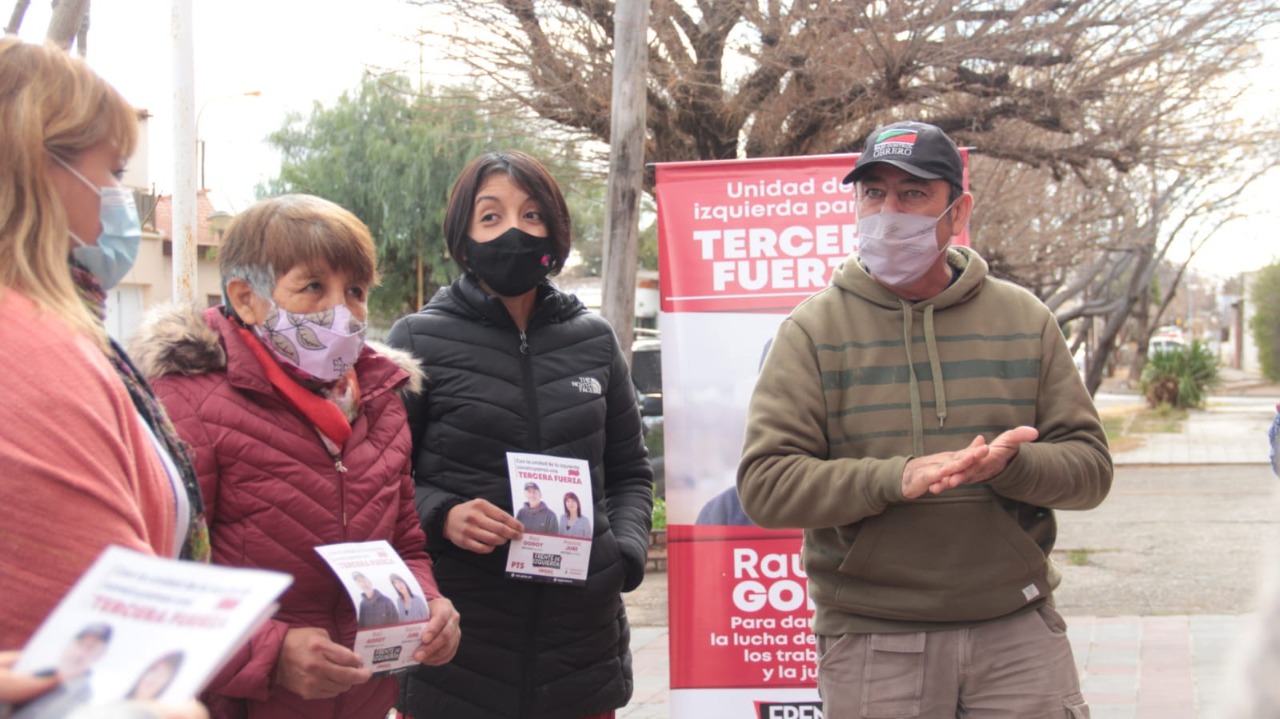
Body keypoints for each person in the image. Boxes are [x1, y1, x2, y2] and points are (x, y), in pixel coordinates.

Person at [737, 120, 1113, 717]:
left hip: (1015, 630)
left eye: (913, 194)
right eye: (873, 193)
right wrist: (897, 477)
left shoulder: (1025, 320)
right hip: (873, 640)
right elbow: (767, 487)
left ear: (957, 212)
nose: (888, 213)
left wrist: (1012, 467)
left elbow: (1091, 471)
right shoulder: (811, 331)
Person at [128, 194, 460, 718]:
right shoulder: (186, 405)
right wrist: (270, 653)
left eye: (355, 291)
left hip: (363, 700)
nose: (342, 311)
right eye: (313, 287)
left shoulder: (381, 401)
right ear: (246, 298)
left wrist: (427, 602)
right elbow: (153, 582)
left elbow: (404, 543)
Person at [386, 150, 653, 719]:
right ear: (463, 241)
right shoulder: (416, 341)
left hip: (581, 653)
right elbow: (381, 479)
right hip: (457, 652)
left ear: (555, 232)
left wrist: (624, 556)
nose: (514, 231)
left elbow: (630, 472)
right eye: (491, 216)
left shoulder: (595, 341)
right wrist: (443, 514)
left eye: (532, 215)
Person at [0, 37, 209, 653]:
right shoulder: (29, 348)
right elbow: (92, 631)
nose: (120, 200)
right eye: (114, 171)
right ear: (37, 164)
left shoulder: (62, 327)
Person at [12, 623, 111, 719]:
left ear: (100, 655)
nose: (80, 652)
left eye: (90, 648)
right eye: (80, 643)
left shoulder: (84, 698)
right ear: (70, 644)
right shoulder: (38, 673)